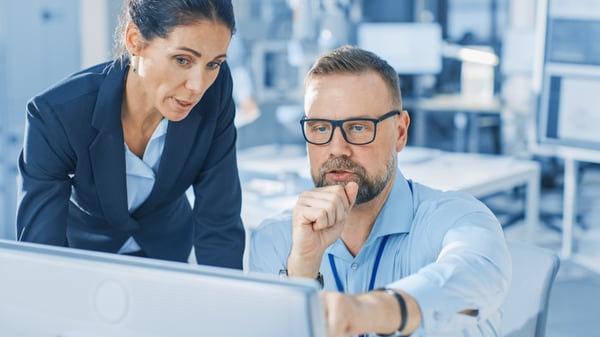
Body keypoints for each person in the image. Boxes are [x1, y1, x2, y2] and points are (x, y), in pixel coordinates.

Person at [249, 45, 511, 336]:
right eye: (320, 128)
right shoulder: (276, 240)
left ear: (400, 132)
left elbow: (472, 272)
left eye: (359, 127)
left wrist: (368, 312)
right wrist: (302, 273)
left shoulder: (458, 219)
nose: (337, 148)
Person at [16, 0, 245, 268]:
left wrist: (227, 303)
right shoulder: (57, 116)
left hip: (168, 254)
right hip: (84, 259)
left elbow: (220, 221)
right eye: (182, 60)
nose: (197, 85)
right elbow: (40, 254)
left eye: (213, 64)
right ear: (135, 40)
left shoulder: (214, 94)